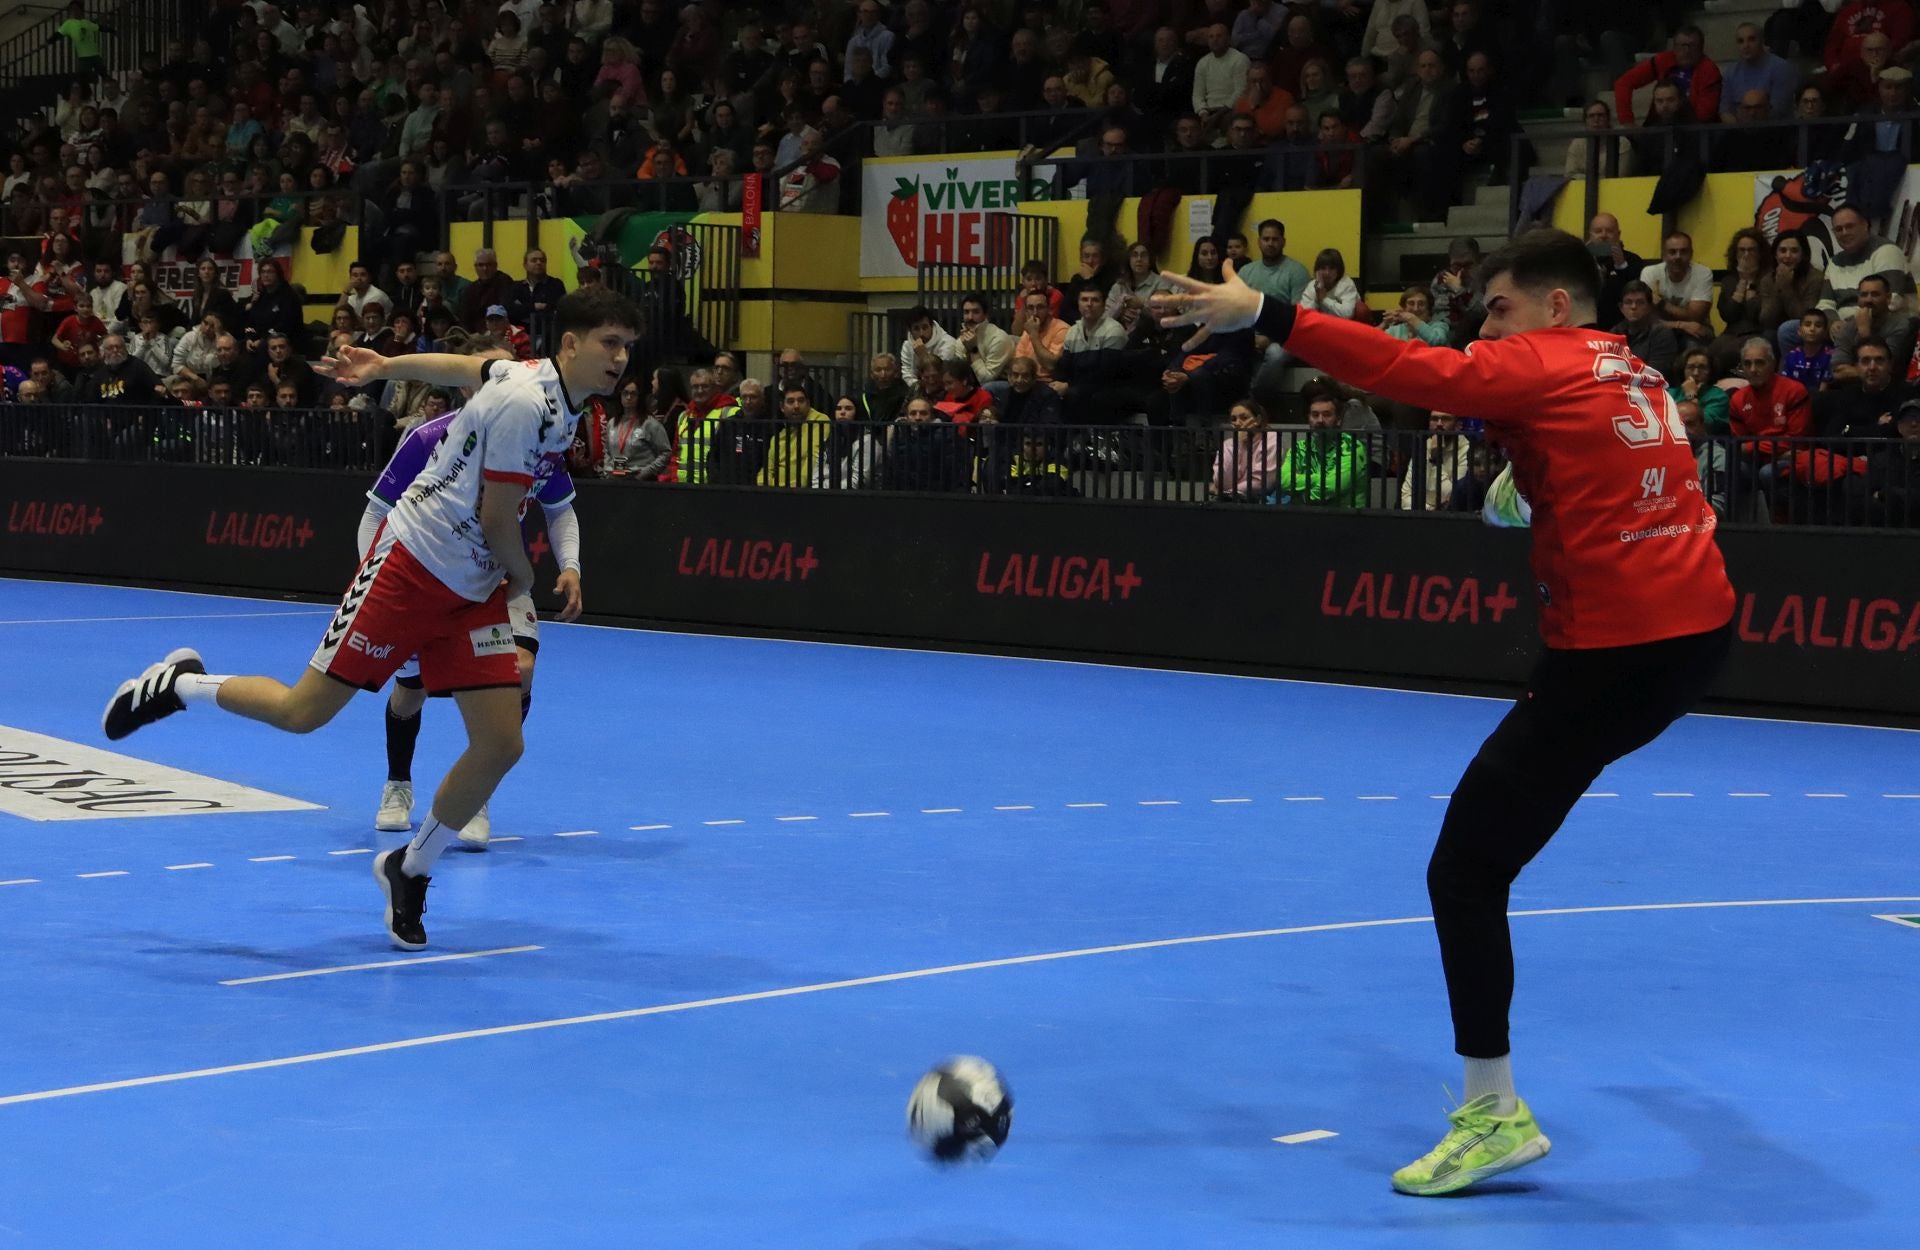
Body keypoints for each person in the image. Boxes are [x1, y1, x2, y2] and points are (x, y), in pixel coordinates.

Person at [1156, 227, 1735, 1196]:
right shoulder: (1630, 367)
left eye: (1500, 308)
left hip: (1615, 655)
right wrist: (1534, 482)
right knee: (1483, 854)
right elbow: (1617, 465)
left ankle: (1493, 1114)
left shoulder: (1542, 360)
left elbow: (1410, 370)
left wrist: (1266, 312)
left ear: (1557, 306)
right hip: (1698, 633)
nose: (1486, 330)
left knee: (1465, 870)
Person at [101, 287, 642, 951]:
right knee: (302, 712)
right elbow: (500, 518)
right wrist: (526, 581)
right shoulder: (527, 405)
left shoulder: (546, 392)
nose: (621, 358)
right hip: (411, 564)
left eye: (627, 346)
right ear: (571, 344)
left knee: (501, 744)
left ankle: (408, 869)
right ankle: (180, 683)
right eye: (610, 343)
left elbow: (464, 366)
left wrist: (385, 365)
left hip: (470, 586)